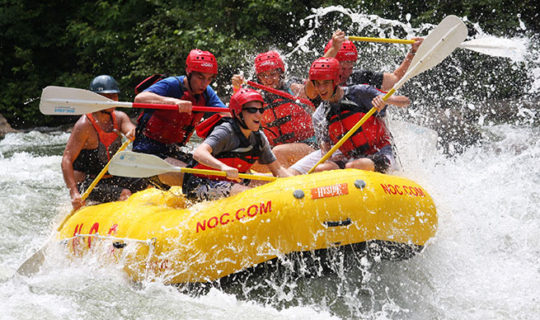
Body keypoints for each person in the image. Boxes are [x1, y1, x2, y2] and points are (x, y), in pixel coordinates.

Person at [291, 57, 410, 174]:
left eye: (326, 83)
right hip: (351, 160)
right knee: (321, 169)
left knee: (354, 166)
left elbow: (405, 101)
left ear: (336, 80)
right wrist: (329, 165)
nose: (321, 89)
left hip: (381, 153)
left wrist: (386, 100)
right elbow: (326, 152)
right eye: (317, 84)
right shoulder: (320, 115)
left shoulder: (360, 93)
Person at [132, 49, 227, 187]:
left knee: (208, 170)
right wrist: (173, 102)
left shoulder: (207, 93)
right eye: (200, 77)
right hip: (147, 151)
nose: (205, 83)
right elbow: (139, 98)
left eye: (209, 79)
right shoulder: (171, 84)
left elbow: (226, 113)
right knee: (194, 176)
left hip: (172, 150)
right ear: (189, 72)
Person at [183, 88, 290, 202]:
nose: (258, 115)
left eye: (261, 110)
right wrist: (223, 167)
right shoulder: (225, 131)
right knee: (250, 195)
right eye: (252, 110)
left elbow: (277, 170)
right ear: (238, 113)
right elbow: (199, 153)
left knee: (274, 183)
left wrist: (295, 184)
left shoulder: (259, 138)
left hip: (235, 181)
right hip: (200, 184)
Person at [61, 75, 148, 210]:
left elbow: (130, 128)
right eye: (107, 97)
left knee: (148, 183)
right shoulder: (84, 125)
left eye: (114, 96)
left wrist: (133, 132)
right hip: (87, 183)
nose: (112, 100)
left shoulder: (119, 118)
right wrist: (74, 193)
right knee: (125, 194)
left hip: (112, 177)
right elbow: (66, 159)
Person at [231, 51, 316, 169]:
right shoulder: (258, 98)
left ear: (281, 73)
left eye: (273, 74)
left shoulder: (294, 88)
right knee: (245, 158)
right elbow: (237, 116)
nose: (269, 80)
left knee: (278, 152)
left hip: (310, 147)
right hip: (278, 151)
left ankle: (288, 182)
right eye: (263, 76)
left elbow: (314, 90)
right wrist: (237, 89)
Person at [304, 30, 423, 100]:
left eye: (350, 68)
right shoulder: (319, 85)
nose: (347, 73)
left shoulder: (360, 77)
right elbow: (311, 90)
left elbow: (395, 79)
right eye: (342, 69)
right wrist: (335, 48)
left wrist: (412, 53)